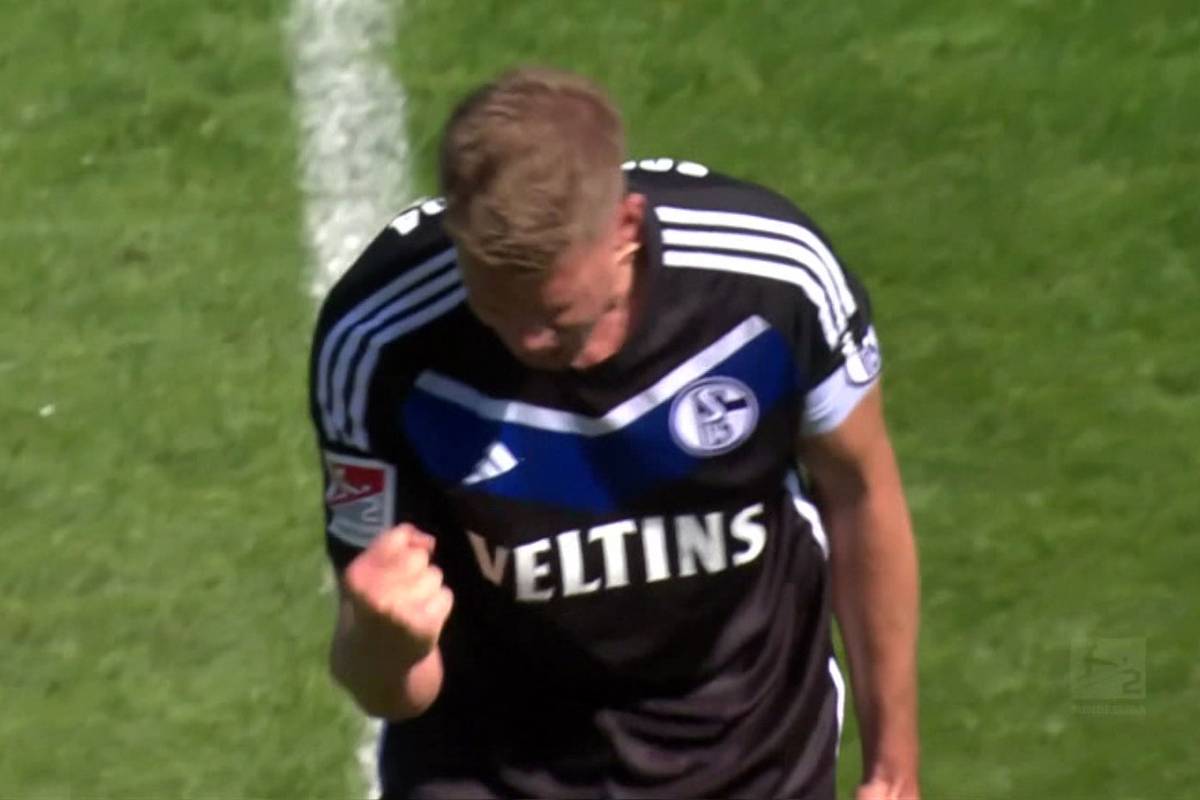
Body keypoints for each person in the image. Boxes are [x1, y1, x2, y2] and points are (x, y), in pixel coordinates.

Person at [309, 67, 920, 800]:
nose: (527, 342)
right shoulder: (379, 345)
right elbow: (390, 689)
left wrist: (893, 764)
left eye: (555, 313)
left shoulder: (771, 282)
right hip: (494, 765)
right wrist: (383, 640)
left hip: (748, 753)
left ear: (626, 227)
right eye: (494, 309)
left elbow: (858, 493)